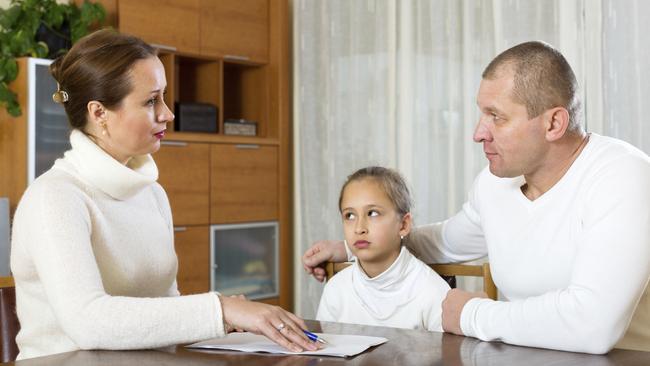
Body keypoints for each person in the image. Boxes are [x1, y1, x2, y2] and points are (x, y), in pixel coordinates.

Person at [303, 41, 650, 354]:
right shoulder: (494, 184)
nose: (477, 133)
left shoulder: (624, 175)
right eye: (482, 114)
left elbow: (593, 326)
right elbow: (442, 243)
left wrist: (469, 313)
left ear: (554, 123)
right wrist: (353, 247)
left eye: (496, 117)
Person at [9, 29, 317, 360]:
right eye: (151, 100)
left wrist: (228, 318)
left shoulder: (152, 194)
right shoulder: (55, 198)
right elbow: (88, 322)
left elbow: (164, 307)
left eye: (163, 97)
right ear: (99, 113)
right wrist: (221, 310)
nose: (168, 114)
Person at [315, 167, 450, 331]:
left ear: (404, 224)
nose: (359, 228)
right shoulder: (336, 289)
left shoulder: (432, 291)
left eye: (372, 213)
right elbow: (324, 351)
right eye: (350, 215)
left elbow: (445, 355)